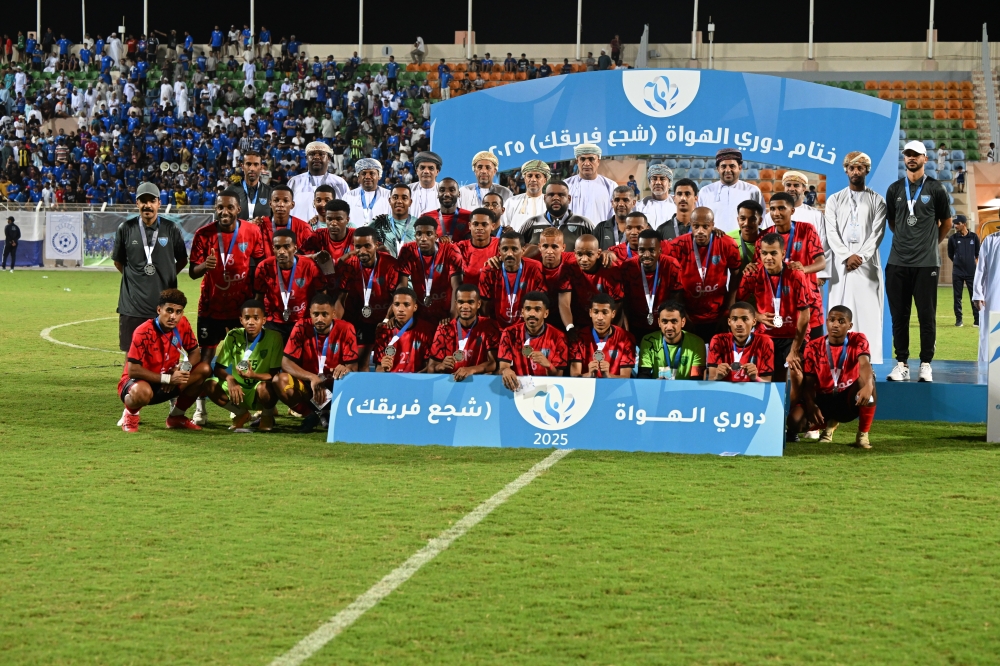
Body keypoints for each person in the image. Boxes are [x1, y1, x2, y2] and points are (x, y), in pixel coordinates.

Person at [188, 188, 266, 424]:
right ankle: (200, 408)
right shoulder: (203, 234)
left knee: (242, 358)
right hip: (211, 307)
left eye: (229, 207)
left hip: (240, 308)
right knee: (206, 358)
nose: (224, 212)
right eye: (220, 207)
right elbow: (192, 272)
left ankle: (237, 404)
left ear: (238, 209)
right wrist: (205, 266)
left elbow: (261, 264)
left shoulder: (252, 231)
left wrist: (257, 300)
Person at [884, 140, 952, 383]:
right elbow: (893, 222)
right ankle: (902, 363)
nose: (911, 158)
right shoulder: (894, 189)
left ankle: (925, 363)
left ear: (925, 158)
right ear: (904, 159)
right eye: (908, 155)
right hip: (897, 262)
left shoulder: (936, 189)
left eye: (916, 155)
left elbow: (946, 222)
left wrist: (930, 243)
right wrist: (906, 240)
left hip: (926, 264)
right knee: (899, 316)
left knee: (926, 315)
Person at [824, 151, 888, 365]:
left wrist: (860, 256)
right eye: (851, 168)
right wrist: (845, 256)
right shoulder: (834, 200)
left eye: (860, 168)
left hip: (866, 266)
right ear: (846, 170)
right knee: (839, 309)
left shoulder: (878, 201)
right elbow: (830, 231)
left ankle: (868, 359)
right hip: (841, 266)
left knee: (868, 312)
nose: (855, 172)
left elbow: (878, 233)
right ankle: (838, 358)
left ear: (866, 170)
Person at [117, 289, 211, 432]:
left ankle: (176, 417)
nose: (173, 316)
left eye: (178, 312)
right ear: (159, 309)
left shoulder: (183, 324)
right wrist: (167, 379)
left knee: (204, 369)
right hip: (139, 382)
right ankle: (130, 415)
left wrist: (182, 370)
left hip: (169, 379)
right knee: (141, 392)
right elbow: (133, 370)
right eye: (169, 310)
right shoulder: (143, 332)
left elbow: (194, 352)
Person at [113, 182, 188, 352]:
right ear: (137, 203)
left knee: (163, 352)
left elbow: (183, 260)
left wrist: (167, 274)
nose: (147, 205)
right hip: (132, 305)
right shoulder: (125, 228)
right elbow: (118, 262)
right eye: (143, 201)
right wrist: (135, 277)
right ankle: (131, 380)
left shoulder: (171, 228)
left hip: (164, 306)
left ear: (159, 203)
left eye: (152, 200)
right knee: (131, 352)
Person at [792, 306, 877, 449]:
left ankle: (862, 435)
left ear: (850, 325)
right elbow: (808, 384)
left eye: (841, 321)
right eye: (832, 320)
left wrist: (869, 385)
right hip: (824, 400)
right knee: (795, 422)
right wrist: (811, 405)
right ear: (826, 322)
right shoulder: (813, 346)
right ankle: (828, 424)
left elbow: (864, 364)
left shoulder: (858, 339)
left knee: (868, 381)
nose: (835, 324)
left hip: (848, 401)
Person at [276, 293, 358, 431]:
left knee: (354, 380)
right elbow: (286, 363)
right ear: (310, 313)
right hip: (309, 388)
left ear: (333, 314)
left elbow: (353, 365)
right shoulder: (301, 327)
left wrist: (345, 368)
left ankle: (338, 415)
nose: (319, 318)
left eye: (324, 314)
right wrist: (312, 377)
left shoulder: (346, 328)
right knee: (279, 379)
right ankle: (310, 416)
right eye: (316, 314)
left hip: (335, 387)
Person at [737, 233, 812, 383]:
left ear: (783, 254)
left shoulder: (796, 274)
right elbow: (739, 305)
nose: (768, 258)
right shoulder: (752, 274)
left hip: (792, 337)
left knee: (796, 375)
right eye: (764, 253)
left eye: (773, 253)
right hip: (765, 337)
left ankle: (792, 406)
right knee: (759, 378)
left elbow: (805, 314)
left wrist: (795, 349)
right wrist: (757, 316)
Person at [204, 299, 284, 430]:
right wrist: (230, 379)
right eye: (247, 318)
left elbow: (275, 375)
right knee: (209, 385)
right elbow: (219, 368)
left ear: (264, 320)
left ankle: (266, 416)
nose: (251, 322)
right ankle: (241, 414)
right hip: (238, 390)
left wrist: (254, 375)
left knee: (267, 387)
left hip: (259, 390)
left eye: (256, 318)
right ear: (241, 320)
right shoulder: (233, 335)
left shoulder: (274, 337)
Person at [665, 206, 742, 343]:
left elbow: (736, 274)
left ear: (713, 225)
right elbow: (671, 280)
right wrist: (681, 313)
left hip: (718, 315)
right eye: (696, 226)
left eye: (705, 226)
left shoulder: (727, 243)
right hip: (688, 315)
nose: (700, 231)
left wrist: (729, 309)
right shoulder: (677, 245)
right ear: (691, 225)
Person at [757, 192, 826, 339]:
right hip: (779, 305)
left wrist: (804, 268)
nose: (776, 213)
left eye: (782, 208)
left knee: (813, 355)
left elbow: (821, 262)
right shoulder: (764, 236)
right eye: (773, 209)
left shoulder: (807, 229)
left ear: (792, 211)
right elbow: (759, 269)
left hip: (809, 302)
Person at [335, 226, 400, 370]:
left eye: (367, 246)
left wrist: (387, 320)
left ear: (376, 245)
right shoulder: (350, 265)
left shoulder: (390, 264)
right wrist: (336, 324)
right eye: (358, 246)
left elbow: (396, 298)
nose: (362, 251)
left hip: (386, 319)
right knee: (359, 363)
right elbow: (341, 299)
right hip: (363, 321)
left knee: (383, 364)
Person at [252, 229, 325, 342]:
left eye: (286, 247)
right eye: (277, 247)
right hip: (274, 321)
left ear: (295, 248)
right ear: (273, 249)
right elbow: (258, 298)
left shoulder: (310, 266)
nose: (281, 251)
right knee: (274, 358)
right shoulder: (264, 267)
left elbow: (322, 296)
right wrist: (258, 321)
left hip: (302, 320)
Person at [397, 216, 463, 324]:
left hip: (446, 314)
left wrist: (452, 317)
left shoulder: (450, 250)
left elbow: (457, 285)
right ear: (415, 236)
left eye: (428, 234)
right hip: (420, 314)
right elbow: (401, 285)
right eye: (419, 234)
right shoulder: (408, 250)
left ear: (436, 236)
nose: (423, 238)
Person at [621, 229, 683, 342]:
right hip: (636, 326)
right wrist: (627, 331)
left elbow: (676, 301)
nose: (646, 255)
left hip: (663, 326)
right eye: (642, 250)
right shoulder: (628, 267)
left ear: (660, 249)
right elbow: (625, 304)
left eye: (651, 250)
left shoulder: (671, 265)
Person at [427, 284, 501, 380]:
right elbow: (431, 367)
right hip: (451, 382)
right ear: (456, 303)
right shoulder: (444, 329)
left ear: (478, 304)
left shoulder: (489, 326)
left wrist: (470, 370)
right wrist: (440, 366)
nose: (465, 306)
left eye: (470, 302)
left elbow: (493, 363)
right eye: (461, 302)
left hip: (478, 383)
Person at [498, 292, 569, 390]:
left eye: (537, 309)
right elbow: (503, 366)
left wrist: (548, 365)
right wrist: (506, 370)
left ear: (546, 313)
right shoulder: (509, 334)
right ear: (522, 312)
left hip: (547, 391)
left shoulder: (559, 337)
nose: (532, 313)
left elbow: (558, 376)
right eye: (528, 309)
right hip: (517, 389)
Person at [478, 230, 545, 329]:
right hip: (497, 328)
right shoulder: (489, 270)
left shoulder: (534, 267)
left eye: (514, 249)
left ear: (522, 250)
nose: (509, 253)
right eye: (505, 249)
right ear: (499, 250)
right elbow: (484, 306)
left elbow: (541, 302)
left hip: (526, 328)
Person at [696, 148, 764, 234]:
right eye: (723, 166)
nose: (728, 170)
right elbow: (699, 220)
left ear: (740, 167)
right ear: (718, 169)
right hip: (713, 243)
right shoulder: (705, 192)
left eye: (732, 166)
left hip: (744, 243)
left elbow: (761, 219)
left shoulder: (752, 191)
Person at [569, 293, 635, 378]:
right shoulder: (578, 337)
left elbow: (626, 377)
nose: (600, 317)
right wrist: (589, 375)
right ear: (590, 313)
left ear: (613, 313)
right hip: (586, 388)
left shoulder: (626, 338)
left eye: (605, 312)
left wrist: (608, 376)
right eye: (596, 312)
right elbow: (574, 376)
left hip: (614, 388)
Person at [373, 287, 436, 373]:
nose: (401, 309)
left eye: (406, 305)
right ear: (392, 307)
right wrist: (383, 367)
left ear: (415, 307)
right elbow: (378, 370)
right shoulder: (383, 331)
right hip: (391, 381)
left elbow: (430, 367)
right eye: (397, 304)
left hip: (416, 381)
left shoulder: (427, 330)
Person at [520, 179, 594, 252]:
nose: (556, 198)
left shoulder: (584, 224)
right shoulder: (531, 223)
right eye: (551, 195)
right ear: (545, 198)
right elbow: (516, 249)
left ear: (569, 199)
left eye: (561, 195)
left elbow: (598, 251)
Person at [708, 302, 774, 382]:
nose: (739, 324)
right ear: (729, 322)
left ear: (754, 322)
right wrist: (717, 377)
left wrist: (755, 377)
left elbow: (767, 382)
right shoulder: (718, 340)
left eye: (745, 319)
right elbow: (711, 379)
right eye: (734, 319)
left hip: (752, 392)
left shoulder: (764, 342)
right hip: (725, 391)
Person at [637, 302, 705, 380]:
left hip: (685, 390)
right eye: (664, 322)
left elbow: (696, 379)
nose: (669, 327)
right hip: (657, 388)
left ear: (683, 322)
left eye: (674, 321)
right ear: (659, 322)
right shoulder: (648, 341)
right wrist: (655, 384)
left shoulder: (696, 343)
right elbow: (643, 376)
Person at [287, 141, 349, 221]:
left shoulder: (340, 183)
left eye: (321, 154)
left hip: (330, 232)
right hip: (300, 231)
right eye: (312, 154)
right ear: (306, 158)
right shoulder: (294, 182)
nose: (316, 157)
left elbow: (347, 211)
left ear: (329, 158)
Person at [256, 184, 314, 257]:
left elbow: (309, 256)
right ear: (270, 204)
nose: (280, 204)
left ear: (292, 205)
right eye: (276, 200)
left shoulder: (304, 228)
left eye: (286, 201)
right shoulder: (260, 225)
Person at [565, 143, 616, 224]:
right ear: (577, 161)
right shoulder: (566, 186)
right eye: (582, 159)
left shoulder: (610, 186)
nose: (587, 163)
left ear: (598, 161)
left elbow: (614, 216)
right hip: (572, 235)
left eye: (591, 159)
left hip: (600, 235)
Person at [301, 199, 355, 274]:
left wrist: (347, 256)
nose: (333, 223)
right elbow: (296, 257)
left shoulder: (356, 235)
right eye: (329, 219)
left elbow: (372, 252)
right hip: (323, 282)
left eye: (338, 219)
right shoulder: (318, 235)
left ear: (347, 220)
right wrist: (313, 256)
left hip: (351, 280)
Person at [367, 183, 417, 257]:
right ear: (390, 201)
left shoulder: (418, 225)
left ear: (410, 202)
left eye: (404, 198)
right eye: (395, 197)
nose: (399, 201)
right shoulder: (378, 223)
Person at [456, 208, 500, 290]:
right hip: (467, 297)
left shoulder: (501, 245)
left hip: (493, 297)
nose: (479, 228)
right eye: (475, 224)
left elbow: (526, 248)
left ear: (492, 226)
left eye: (484, 224)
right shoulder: (459, 247)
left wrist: (502, 259)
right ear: (469, 226)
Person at [948, 215, 980, 328]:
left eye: (957, 223)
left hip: (972, 272)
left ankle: (977, 320)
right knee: (957, 297)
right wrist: (958, 262)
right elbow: (950, 254)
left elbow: (977, 254)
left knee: (974, 296)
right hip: (957, 272)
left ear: (964, 224)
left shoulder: (974, 237)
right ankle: (959, 320)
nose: (955, 226)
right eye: (955, 223)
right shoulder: (952, 239)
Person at [502, 160, 550, 232]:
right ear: (525, 179)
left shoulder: (550, 204)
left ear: (545, 180)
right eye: (529, 176)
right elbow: (503, 227)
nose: (533, 179)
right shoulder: (511, 202)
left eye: (537, 176)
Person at [344, 157, 392, 228]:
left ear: (379, 176)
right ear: (358, 177)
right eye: (363, 173)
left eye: (372, 173)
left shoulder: (389, 195)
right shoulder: (348, 196)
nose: (367, 177)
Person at [635, 164, 677, 231]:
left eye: (662, 179)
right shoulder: (640, 206)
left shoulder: (677, 204)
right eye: (654, 179)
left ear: (670, 184)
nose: (658, 182)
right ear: (649, 183)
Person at [593, 185, 635, 250]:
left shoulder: (642, 228)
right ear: (612, 203)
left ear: (633, 203)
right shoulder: (600, 228)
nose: (621, 204)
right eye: (617, 200)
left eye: (625, 200)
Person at [236, 149, 272, 222]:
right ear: (242, 167)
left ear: (261, 167)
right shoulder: (231, 191)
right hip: (239, 233)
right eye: (248, 164)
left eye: (256, 164)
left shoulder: (270, 192)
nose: (252, 168)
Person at [729, 200, 763, 270]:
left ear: (760, 221)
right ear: (738, 220)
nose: (746, 223)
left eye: (752, 219)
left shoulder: (770, 238)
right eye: (742, 219)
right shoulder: (728, 239)